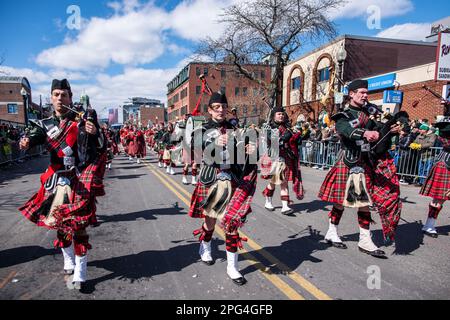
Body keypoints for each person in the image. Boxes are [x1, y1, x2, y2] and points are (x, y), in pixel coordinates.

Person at [18, 79, 106, 291]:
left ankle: (81, 272)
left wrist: (95, 133)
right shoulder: (45, 124)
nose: (59, 98)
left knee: (79, 227)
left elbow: (101, 146)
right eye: (56, 94)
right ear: (51, 98)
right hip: (56, 181)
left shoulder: (82, 122)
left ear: (70, 97)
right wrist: (25, 141)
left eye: (63, 95)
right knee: (60, 224)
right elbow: (33, 136)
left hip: (78, 179)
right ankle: (69, 261)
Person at [318, 79, 401, 258]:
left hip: (364, 163)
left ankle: (364, 239)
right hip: (348, 163)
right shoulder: (343, 115)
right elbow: (345, 130)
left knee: (364, 202)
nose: (365, 95)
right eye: (361, 92)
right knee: (340, 202)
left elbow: (379, 130)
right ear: (352, 94)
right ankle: (332, 231)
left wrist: (390, 129)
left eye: (366, 92)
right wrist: (365, 133)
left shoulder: (369, 114)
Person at [188, 92, 258, 286]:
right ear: (209, 110)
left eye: (223, 107)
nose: (220, 110)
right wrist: (213, 144)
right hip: (212, 181)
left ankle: (232, 267)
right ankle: (206, 247)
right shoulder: (202, 129)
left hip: (233, 180)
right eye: (216, 107)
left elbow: (245, 153)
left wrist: (253, 150)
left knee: (232, 222)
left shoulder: (235, 128)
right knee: (209, 222)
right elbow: (195, 145)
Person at [260, 107, 304, 215]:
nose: (281, 116)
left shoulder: (287, 127)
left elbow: (292, 142)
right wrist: (286, 136)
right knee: (274, 183)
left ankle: (285, 206)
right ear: (274, 115)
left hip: (286, 157)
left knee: (284, 182)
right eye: (279, 114)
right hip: (274, 158)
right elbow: (275, 141)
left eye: (282, 114)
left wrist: (298, 137)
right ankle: (268, 201)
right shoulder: (268, 127)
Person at [419, 118, 450, 237]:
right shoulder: (445, 137)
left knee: (439, 199)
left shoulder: (444, 135)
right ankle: (429, 225)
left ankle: (429, 225)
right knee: (439, 199)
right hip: (445, 166)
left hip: (444, 165)